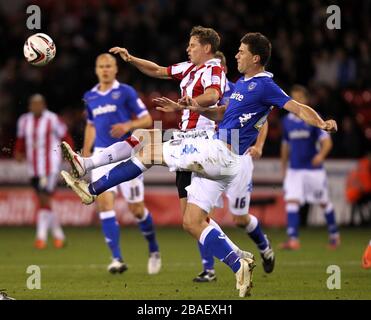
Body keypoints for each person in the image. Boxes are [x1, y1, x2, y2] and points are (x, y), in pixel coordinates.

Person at [60, 32, 337, 297]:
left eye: (242, 51)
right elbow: (221, 111)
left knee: (147, 150)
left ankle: (92, 188)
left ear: (256, 58)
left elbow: (297, 107)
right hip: (221, 160)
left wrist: (322, 123)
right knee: (192, 222)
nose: (236, 55)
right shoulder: (242, 83)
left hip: (217, 151)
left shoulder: (264, 84)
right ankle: (238, 264)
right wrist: (189, 108)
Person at [110, 27, 274, 283]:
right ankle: (213, 267)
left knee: (239, 218)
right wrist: (131, 59)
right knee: (197, 216)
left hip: (239, 157)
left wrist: (260, 145)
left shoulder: (240, 90)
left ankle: (262, 248)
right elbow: (159, 70)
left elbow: (261, 121)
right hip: (212, 152)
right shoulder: (226, 85)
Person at [82, 53, 161, 274]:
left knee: (136, 210)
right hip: (101, 155)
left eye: (109, 66)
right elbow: (90, 125)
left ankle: (154, 249)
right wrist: (87, 152)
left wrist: (127, 125)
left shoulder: (126, 92)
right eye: (101, 66)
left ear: (115, 69)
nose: (105, 70)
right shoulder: (90, 96)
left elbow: (146, 119)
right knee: (105, 203)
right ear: (96, 70)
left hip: (128, 154)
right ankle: (117, 258)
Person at [279, 85, 340, 250]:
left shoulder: (314, 118)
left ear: (306, 100)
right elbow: (285, 146)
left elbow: (327, 141)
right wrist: (284, 166)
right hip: (294, 169)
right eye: (294, 97)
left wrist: (320, 156)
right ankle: (293, 239)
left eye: (300, 97)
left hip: (313, 170)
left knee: (323, 202)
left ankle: (334, 235)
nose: (297, 101)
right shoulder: (286, 122)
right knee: (291, 201)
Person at [14, 94, 70, 249]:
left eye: (39, 104)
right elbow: (20, 139)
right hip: (33, 168)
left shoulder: (52, 119)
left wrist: (69, 155)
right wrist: (18, 152)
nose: (36, 107)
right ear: (29, 106)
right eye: (33, 104)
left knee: (44, 198)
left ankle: (41, 237)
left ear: (44, 105)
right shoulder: (24, 120)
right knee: (43, 200)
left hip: (50, 166)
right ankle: (59, 236)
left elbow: (65, 136)